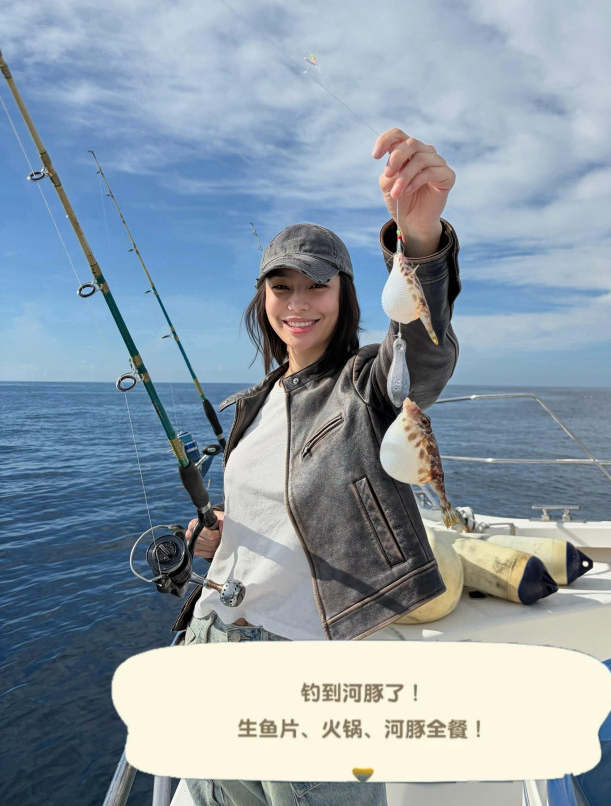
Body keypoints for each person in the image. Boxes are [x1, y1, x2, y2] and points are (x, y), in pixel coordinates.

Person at [177, 127, 460, 806]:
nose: (298, 302)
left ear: (345, 294)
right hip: (212, 643)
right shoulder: (254, 403)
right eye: (283, 287)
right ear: (263, 298)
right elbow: (280, 502)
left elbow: (422, 354)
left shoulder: (364, 382)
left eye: (317, 286)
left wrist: (419, 239)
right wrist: (224, 532)